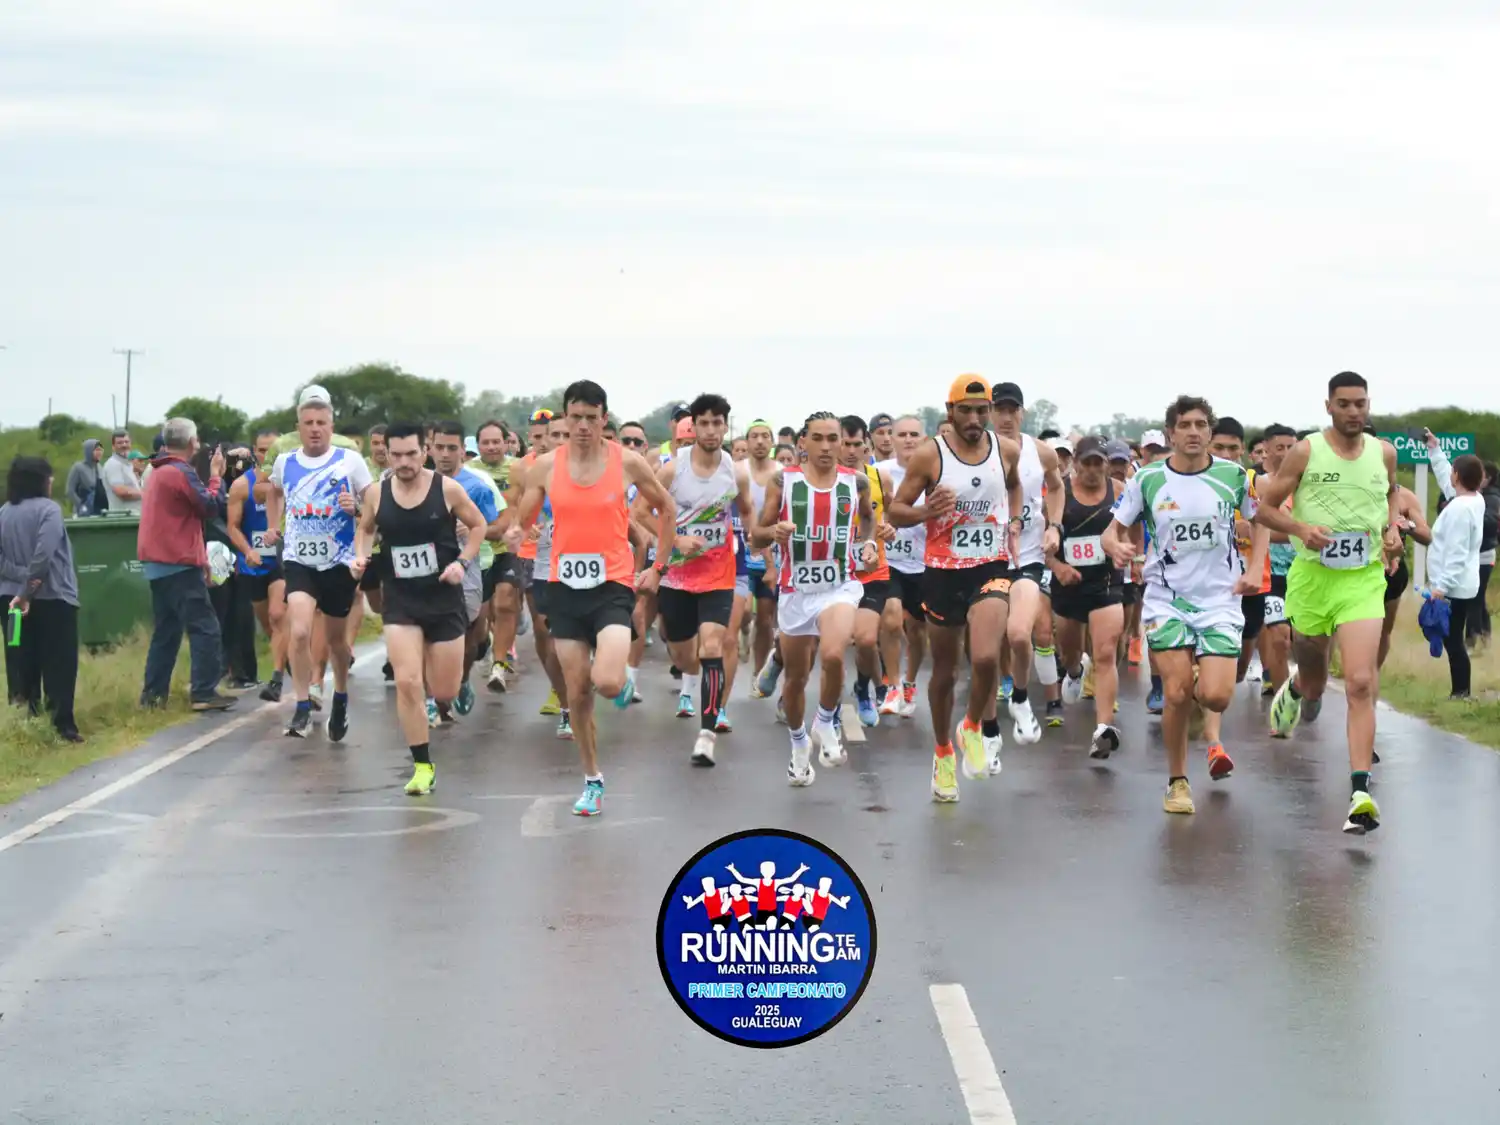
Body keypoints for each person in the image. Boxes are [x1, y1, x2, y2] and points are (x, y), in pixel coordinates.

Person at [1103, 396, 1303, 816]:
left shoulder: (1233, 476)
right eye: (1184, 425)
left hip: (1220, 600)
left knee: (1216, 696)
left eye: (1200, 425)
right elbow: (1112, 530)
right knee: (1175, 692)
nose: (1193, 432)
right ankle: (1177, 782)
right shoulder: (1148, 479)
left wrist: (1255, 567)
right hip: (1167, 600)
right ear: (1171, 433)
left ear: (1210, 432)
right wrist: (1115, 546)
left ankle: (1199, 697)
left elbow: (1262, 520)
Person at [512, 380, 677, 817]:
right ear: (565, 418)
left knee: (606, 682)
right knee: (578, 689)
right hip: (564, 587)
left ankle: (621, 677)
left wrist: (658, 568)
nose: (583, 425)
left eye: (591, 417)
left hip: (612, 585)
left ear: (604, 419)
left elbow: (667, 509)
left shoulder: (628, 462)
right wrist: (515, 532)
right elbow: (523, 518)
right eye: (576, 417)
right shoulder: (546, 466)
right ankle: (592, 779)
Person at [1256, 372, 1403, 834]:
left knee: (1360, 681)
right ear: (1328, 407)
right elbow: (1264, 508)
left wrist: (1392, 528)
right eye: (1344, 404)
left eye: (1360, 403)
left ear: (1368, 404)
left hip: (1363, 579)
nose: (1354, 412)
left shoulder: (1384, 452)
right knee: (1317, 680)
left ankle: (1360, 792)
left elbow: (1392, 491)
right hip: (1313, 581)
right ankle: (1300, 687)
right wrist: (1301, 529)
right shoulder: (1306, 451)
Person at [888, 374, 1023, 801]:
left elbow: (1014, 486)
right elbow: (895, 511)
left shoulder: (1006, 450)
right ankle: (944, 750)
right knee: (945, 672)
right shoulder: (931, 455)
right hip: (943, 571)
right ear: (950, 411)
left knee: (985, 656)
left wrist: (1015, 520)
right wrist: (927, 511)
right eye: (966, 411)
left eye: (982, 411)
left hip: (990, 566)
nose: (975, 419)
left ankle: (973, 725)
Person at [351, 422, 487, 795]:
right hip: (401, 600)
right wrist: (360, 557)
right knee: (407, 683)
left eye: (411, 454)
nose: (404, 462)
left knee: (442, 692)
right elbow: (365, 529)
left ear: (424, 451)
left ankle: (454, 678)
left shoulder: (447, 489)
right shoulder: (377, 493)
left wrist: (462, 562)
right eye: (396, 455)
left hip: (443, 599)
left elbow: (478, 526)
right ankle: (423, 766)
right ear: (387, 455)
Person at [751, 412, 878, 785]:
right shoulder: (784, 482)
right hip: (796, 590)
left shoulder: (855, 482)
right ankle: (798, 744)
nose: (826, 446)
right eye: (817, 438)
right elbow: (756, 535)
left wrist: (869, 544)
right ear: (802, 442)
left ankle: (824, 721)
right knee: (796, 678)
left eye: (832, 438)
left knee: (834, 653)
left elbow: (867, 519)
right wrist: (774, 532)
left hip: (839, 584)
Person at [644, 393, 753, 765]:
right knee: (684, 655)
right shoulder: (673, 471)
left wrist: (761, 543)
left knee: (712, 647)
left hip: (718, 575)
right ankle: (691, 678)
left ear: (725, 427)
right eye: (702, 423)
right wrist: (675, 539)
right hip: (676, 577)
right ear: (693, 426)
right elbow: (640, 512)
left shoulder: (735, 472)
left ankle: (707, 734)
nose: (709, 430)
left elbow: (748, 513)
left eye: (716, 423)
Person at [265, 384, 374, 739]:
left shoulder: (350, 461)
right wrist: (273, 526)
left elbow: (373, 509)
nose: (315, 429)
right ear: (298, 426)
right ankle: (301, 706)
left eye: (321, 423)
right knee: (299, 631)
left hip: (339, 563)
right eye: (308, 423)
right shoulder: (285, 462)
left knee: (336, 642)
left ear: (331, 426)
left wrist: (356, 510)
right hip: (299, 560)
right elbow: (273, 491)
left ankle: (340, 695)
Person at [137, 418, 236, 712]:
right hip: (177, 563)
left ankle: (153, 696)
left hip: (160, 562)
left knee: (166, 633)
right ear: (192, 443)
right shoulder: (180, 472)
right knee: (205, 627)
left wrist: (200, 558)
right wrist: (216, 476)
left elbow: (181, 519)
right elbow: (210, 506)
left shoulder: (158, 471)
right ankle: (204, 691)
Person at [989, 382, 1064, 744]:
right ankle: (986, 724)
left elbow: (1058, 487)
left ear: (1022, 413)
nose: (1006, 417)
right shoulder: (975, 452)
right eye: (999, 410)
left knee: (1020, 634)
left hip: (1028, 556)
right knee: (986, 646)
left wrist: (1055, 526)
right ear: (989, 413)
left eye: (1012, 410)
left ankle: (1020, 697)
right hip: (986, 559)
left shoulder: (1041, 452)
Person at [1049, 437, 1126, 756]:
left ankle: (1103, 729)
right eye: (1087, 463)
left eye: (1099, 463)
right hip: (1068, 582)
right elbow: (1040, 540)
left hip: (1106, 581)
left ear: (1106, 464)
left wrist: (1130, 552)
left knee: (1105, 653)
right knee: (1069, 651)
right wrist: (1057, 566)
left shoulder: (1119, 491)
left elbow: (1133, 526)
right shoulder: (1059, 492)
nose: (1093, 470)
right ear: (1075, 464)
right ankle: (1074, 671)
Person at [0, 455, 83, 741]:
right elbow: (44, 554)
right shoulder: (50, 510)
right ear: (40, 480)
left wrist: (21, 582)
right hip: (53, 599)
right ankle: (62, 726)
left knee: (20, 660)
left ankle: (26, 724)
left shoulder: (3, 513)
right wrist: (28, 589)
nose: (52, 481)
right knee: (59, 662)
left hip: (9, 603)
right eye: (48, 476)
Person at [838, 416, 901, 727]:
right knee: (832, 644)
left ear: (866, 445)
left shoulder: (879, 477)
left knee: (865, 640)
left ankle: (863, 689)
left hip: (873, 569)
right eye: (845, 444)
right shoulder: (823, 481)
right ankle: (829, 706)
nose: (851, 451)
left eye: (856, 444)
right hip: (836, 572)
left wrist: (889, 528)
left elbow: (891, 514)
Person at [226, 429, 289, 702]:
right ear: (254, 452)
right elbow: (232, 527)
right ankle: (289, 660)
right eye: (262, 451)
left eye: (273, 450)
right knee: (269, 624)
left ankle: (276, 680)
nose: (267, 456)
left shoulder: (292, 482)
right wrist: (248, 551)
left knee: (277, 615)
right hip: (254, 563)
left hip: (283, 560)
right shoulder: (241, 486)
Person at [1423, 432, 1485, 699]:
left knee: (1453, 640)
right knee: (1453, 638)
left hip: (1454, 586)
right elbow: (1449, 486)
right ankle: (1461, 691)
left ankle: (1461, 692)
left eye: (1452, 472)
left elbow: (1456, 553)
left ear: (1457, 476)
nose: (1450, 475)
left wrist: (1441, 587)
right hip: (1463, 582)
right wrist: (1435, 451)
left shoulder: (1460, 509)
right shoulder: (1473, 500)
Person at [875, 415, 929, 718]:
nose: (908, 440)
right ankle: (893, 685)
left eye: (914, 435)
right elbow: (869, 512)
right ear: (891, 439)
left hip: (924, 563)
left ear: (924, 440)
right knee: (892, 618)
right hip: (890, 561)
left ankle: (909, 681)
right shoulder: (880, 473)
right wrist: (882, 526)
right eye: (902, 434)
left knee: (918, 632)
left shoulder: (935, 472)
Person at [101, 429, 143, 514]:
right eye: (120, 443)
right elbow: (121, 491)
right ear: (113, 446)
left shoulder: (128, 464)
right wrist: (146, 495)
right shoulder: (113, 464)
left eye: (126, 442)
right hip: (122, 518)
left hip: (134, 516)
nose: (124, 445)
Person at [65, 438, 106, 517]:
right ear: (89, 451)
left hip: (98, 510)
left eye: (101, 450)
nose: (99, 452)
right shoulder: (78, 468)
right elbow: (70, 491)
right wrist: (81, 505)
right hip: (82, 511)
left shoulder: (100, 468)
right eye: (97, 450)